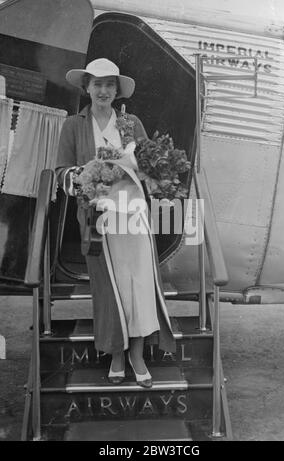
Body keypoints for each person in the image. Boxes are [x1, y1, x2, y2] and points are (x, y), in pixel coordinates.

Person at [55, 58, 175, 388]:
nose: (104, 90)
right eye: (98, 83)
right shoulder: (73, 126)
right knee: (110, 288)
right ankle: (117, 355)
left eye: (110, 84)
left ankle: (137, 355)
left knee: (137, 284)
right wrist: (88, 175)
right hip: (98, 219)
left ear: (117, 90)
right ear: (87, 88)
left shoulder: (130, 122)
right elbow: (61, 172)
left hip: (133, 216)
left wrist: (142, 171)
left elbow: (150, 164)